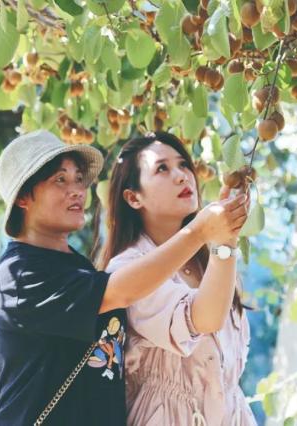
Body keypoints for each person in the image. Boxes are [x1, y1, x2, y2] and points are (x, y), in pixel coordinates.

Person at [0, 130, 249, 425]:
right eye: (60, 180)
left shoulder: (77, 267)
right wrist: (199, 232)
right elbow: (120, 292)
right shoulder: (18, 275)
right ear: (23, 197)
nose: (77, 190)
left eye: (78, 179)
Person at [98, 132, 257, 426]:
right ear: (133, 198)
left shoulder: (207, 261)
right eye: (162, 168)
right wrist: (225, 241)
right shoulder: (128, 269)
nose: (182, 176)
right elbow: (204, 319)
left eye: (183, 164)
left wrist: (222, 238)